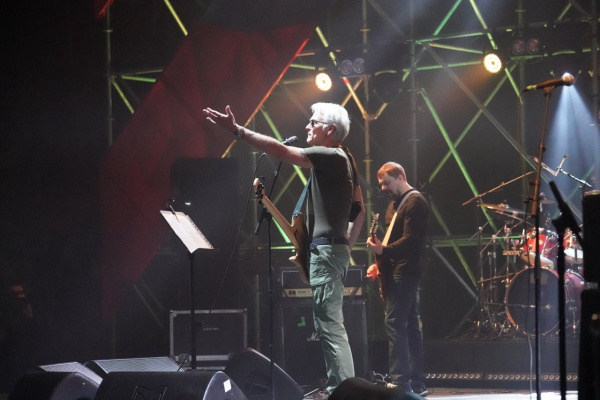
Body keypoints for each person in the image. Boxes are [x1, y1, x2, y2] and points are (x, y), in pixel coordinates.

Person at [203, 103, 365, 394]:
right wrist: (344, 248)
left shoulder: (330, 155)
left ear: (330, 130)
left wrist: (238, 131)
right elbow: (360, 210)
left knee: (330, 327)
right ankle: (342, 391)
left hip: (328, 251)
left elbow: (281, 150)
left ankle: (343, 393)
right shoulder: (347, 159)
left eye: (313, 122)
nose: (307, 127)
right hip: (332, 250)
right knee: (328, 326)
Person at [365, 162, 429, 397]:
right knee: (409, 325)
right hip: (398, 269)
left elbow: (411, 241)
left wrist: (383, 251)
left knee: (394, 323)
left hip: (407, 270)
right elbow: (393, 242)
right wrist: (380, 261)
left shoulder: (415, 202)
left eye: (387, 183)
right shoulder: (395, 205)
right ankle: (416, 383)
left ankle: (400, 382)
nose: (383, 188)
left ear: (401, 176)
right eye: (381, 184)